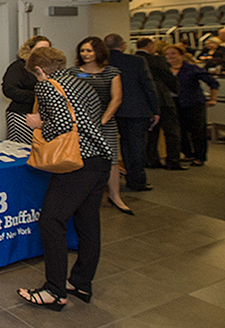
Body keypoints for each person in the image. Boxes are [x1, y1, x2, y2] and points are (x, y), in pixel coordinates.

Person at [17, 47, 111, 311]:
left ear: (39, 70)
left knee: (50, 221)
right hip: (100, 160)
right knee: (88, 224)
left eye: (35, 74)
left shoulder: (47, 86)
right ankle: (81, 282)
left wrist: (37, 123)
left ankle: (54, 290)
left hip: (76, 163)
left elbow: (61, 127)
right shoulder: (81, 83)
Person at [66, 37, 127, 212]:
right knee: (80, 158)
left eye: (89, 50)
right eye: (82, 51)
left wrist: (102, 120)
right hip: (80, 124)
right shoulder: (73, 72)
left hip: (105, 122)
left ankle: (115, 196)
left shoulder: (111, 72)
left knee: (111, 159)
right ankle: (80, 196)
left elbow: (116, 99)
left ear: (98, 52)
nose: (85, 54)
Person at [104, 34, 159, 194]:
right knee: (136, 146)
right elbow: (148, 86)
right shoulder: (136, 61)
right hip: (136, 109)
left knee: (120, 145)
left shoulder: (102, 62)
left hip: (111, 110)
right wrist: (155, 110)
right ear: (123, 45)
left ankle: (118, 177)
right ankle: (137, 180)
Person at [164, 44, 219, 166]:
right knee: (180, 131)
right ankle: (187, 154)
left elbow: (213, 83)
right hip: (174, 103)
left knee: (197, 131)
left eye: (173, 53)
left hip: (193, 103)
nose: (170, 56)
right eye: (167, 54)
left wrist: (213, 99)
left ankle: (199, 157)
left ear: (181, 55)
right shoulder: (165, 70)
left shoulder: (192, 69)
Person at [136, 38, 183, 171]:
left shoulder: (132, 60)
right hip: (162, 100)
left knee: (151, 133)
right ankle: (173, 161)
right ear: (150, 45)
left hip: (143, 101)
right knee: (171, 132)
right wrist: (176, 90)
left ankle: (151, 160)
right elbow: (169, 78)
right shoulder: (157, 60)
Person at [2, 36, 52, 143]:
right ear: (29, 49)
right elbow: (9, 89)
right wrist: (37, 96)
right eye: (39, 49)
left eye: (46, 50)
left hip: (43, 117)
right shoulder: (19, 66)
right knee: (21, 148)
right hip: (21, 114)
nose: (42, 53)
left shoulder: (50, 69)